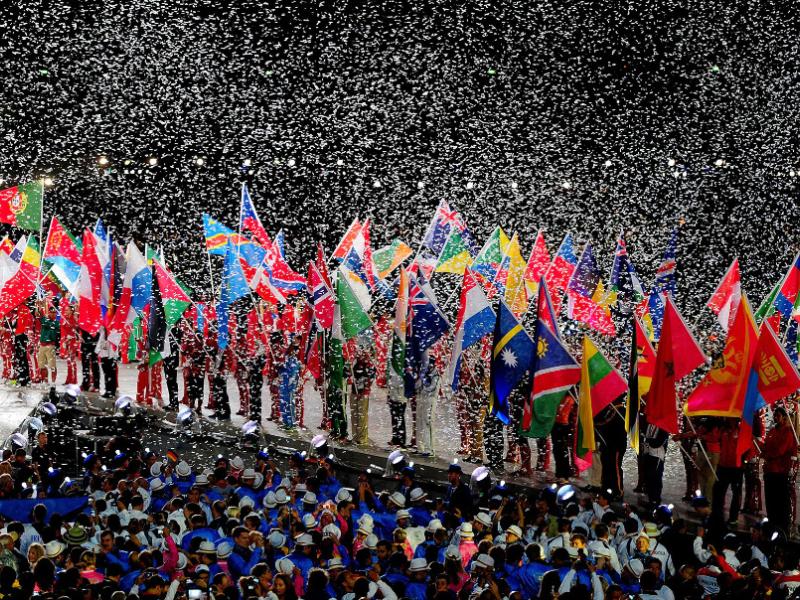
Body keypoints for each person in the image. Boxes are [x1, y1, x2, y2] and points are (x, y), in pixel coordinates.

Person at [763, 406, 798, 534]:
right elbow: (766, 445)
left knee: (780, 501)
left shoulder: (788, 432)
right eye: (775, 415)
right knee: (770, 499)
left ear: (784, 417)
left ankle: (783, 527)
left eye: (778, 415)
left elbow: (780, 450)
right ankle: (772, 522)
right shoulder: (772, 431)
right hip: (769, 471)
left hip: (780, 472)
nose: (775, 417)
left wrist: (767, 455)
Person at [36, 301, 59, 384]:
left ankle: (53, 382)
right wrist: (39, 306)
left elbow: (45, 322)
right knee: (42, 366)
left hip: (50, 346)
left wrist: (41, 309)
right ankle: (45, 380)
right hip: (42, 345)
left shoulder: (56, 323)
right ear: (48, 313)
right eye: (51, 312)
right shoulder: (45, 320)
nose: (53, 314)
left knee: (52, 366)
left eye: (54, 313)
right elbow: (38, 315)